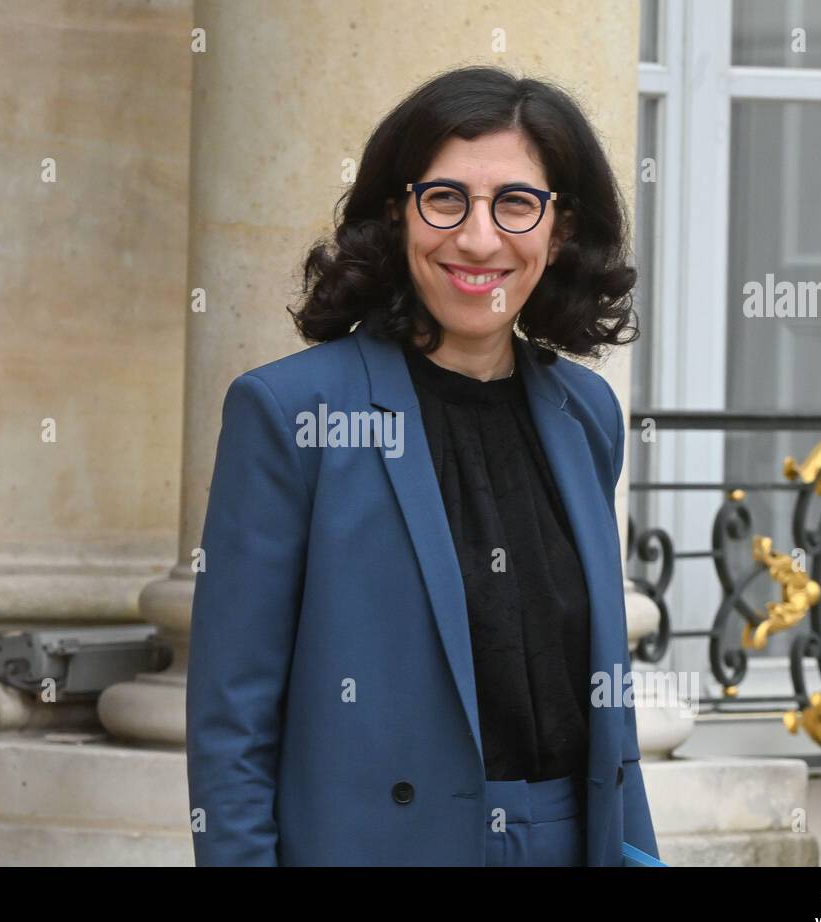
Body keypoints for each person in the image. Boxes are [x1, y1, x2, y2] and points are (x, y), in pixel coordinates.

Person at [186, 64, 658, 866]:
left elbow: (607, 715)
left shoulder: (587, 415)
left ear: (561, 228)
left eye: (516, 203)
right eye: (445, 199)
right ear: (397, 214)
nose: (479, 239)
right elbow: (233, 721)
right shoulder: (289, 412)